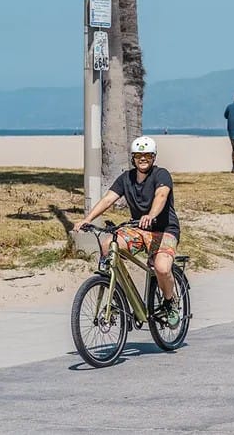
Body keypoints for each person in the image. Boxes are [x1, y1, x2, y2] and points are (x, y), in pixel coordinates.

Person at [73, 136, 182, 327]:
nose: (143, 159)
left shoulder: (161, 175)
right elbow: (108, 199)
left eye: (147, 155)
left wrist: (151, 215)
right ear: (133, 158)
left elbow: (161, 195)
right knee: (109, 245)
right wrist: (87, 219)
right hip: (138, 229)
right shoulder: (126, 178)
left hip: (165, 230)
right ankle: (118, 296)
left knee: (162, 268)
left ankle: (169, 302)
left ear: (154, 157)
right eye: (138, 155)